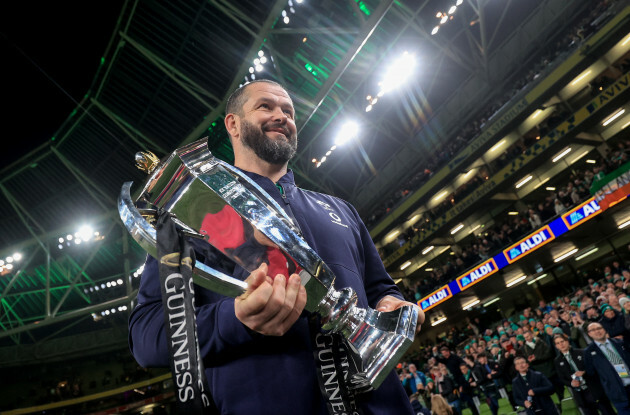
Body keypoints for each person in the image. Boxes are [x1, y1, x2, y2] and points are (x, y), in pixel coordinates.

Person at [128, 79, 424, 414]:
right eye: (265, 106)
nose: (282, 116)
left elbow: (380, 288)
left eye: (288, 111)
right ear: (233, 124)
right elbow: (147, 336)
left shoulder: (341, 210)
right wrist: (234, 319)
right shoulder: (190, 216)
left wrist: (394, 304)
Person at [553, 333, 614, 415]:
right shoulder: (557, 361)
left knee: (607, 411)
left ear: (567, 341)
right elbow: (562, 378)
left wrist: (584, 372)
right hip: (580, 395)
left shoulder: (582, 352)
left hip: (593, 390)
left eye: (562, 341)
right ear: (556, 346)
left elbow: (594, 368)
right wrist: (571, 383)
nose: (561, 344)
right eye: (558, 343)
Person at [584, 322, 630, 414]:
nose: (597, 331)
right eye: (593, 330)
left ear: (604, 329)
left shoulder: (619, 343)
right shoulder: (588, 352)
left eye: (599, 328)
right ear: (589, 334)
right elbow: (591, 373)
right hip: (616, 391)